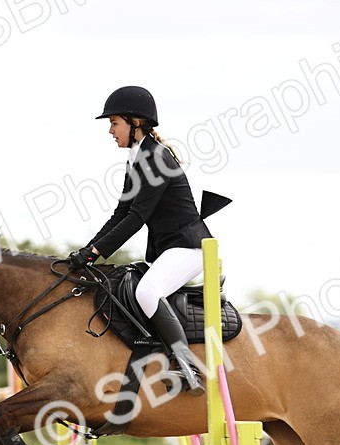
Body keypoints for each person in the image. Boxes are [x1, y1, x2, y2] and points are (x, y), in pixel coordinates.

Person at [66, 86, 229, 397]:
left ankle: (187, 367)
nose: (111, 131)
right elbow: (121, 213)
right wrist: (88, 251)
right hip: (170, 249)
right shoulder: (136, 157)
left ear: (135, 122)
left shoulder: (156, 158)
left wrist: (97, 251)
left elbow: (137, 217)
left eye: (114, 123)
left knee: (147, 291)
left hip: (189, 247)